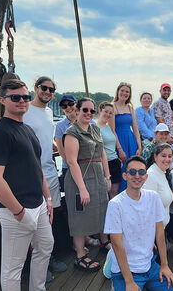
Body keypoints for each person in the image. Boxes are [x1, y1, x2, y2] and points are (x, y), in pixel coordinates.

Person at [0, 79, 54, 290]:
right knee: (13, 268)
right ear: (3, 100)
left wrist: (47, 198)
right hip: (16, 210)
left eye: (24, 97)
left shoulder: (27, 129)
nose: (22, 101)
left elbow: (36, 166)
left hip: (38, 205)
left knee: (45, 247)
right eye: (15, 97)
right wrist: (19, 212)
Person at [104, 156, 173, 291]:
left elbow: (160, 233)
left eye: (141, 172)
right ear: (125, 176)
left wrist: (164, 265)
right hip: (125, 271)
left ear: (146, 176)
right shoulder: (115, 204)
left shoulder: (153, 197)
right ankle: (111, 264)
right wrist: (129, 282)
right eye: (132, 172)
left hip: (149, 265)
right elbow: (116, 243)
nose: (137, 176)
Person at [23, 76, 66, 276]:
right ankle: (37, 265)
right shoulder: (25, 111)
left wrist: (54, 146)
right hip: (31, 174)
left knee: (51, 217)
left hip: (50, 171)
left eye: (51, 89)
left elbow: (44, 138)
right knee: (33, 221)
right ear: (36, 88)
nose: (48, 92)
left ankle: (49, 258)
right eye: (44, 88)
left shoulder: (49, 112)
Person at [63, 97, 112, 272]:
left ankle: (104, 241)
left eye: (92, 111)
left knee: (102, 209)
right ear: (77, 110)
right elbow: (72, 162)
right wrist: (82, 188)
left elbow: (103, 153)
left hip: (98, 177)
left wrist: (108, 176)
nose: (89, 114)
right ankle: (80, 256)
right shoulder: (72, 132)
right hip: (80, 180)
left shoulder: (95, 129)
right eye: (85, 110)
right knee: (79, 216)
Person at [55, 94, 100, 248]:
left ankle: (89, 237)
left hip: (92, 173)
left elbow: (100, 151)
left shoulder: (92, 125)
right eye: (64, 106)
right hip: (73, 172)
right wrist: (81, 184)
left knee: (93, 207)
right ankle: (79, 246)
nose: (67, 108)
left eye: (70, 104)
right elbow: (65, 155)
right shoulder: (64, 128)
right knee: (78, 210)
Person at [109, 82, 142, 193]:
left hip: (131, 141)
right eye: (122, 90)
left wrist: (139, 146)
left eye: (127, 91)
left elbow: (135, 128)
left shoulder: (130, 107)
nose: (124, 93)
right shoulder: (113, 106)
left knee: (133, 169)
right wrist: (120, 149)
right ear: (118, 91)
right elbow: (112, 130)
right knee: (122, 169)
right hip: (119, 141)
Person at [143, 143, 173, 227]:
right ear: (155, 157)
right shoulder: (151, 175)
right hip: (153, 229)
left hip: (162, 227)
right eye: (163, 156)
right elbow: (148, 208)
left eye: (170, 156)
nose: (167, 159)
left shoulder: (162, 172)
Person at [97, 101, 122, 199]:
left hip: (114, 162)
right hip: (104, 164)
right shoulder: (95, 128)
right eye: (106, 111)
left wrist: (117, 159)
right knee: (105, 193)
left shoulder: (109, 128)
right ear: (100, 111)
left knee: (114, 193)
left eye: (111, 113)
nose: (108, 114)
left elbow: (112, 145)